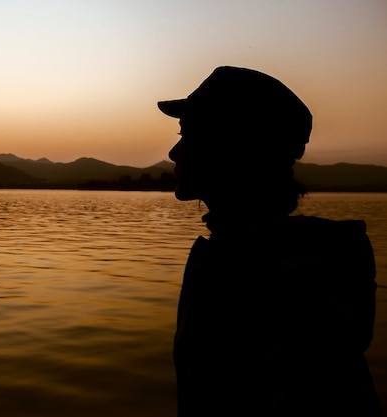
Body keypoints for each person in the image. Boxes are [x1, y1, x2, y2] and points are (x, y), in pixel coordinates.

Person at [157, 66, 381, 416]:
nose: (174, 152)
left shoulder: (293, 283)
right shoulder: (244, 255)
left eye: (188, 134)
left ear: (233, 146)